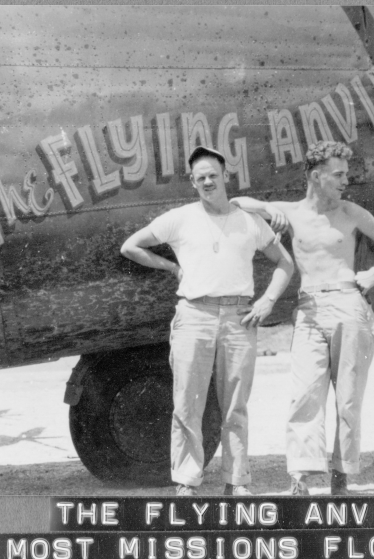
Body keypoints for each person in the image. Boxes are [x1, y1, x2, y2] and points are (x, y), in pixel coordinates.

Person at [231, 140, 374, 495]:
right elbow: (236, 204)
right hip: (309, 307)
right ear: (315, 175)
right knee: (305, 394)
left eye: (346, 174)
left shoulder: (351, 212)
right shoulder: (292, 212)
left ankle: (341, 474)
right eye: (338, 174)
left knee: (348, 398)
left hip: (349, 304)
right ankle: (302, 474)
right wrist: (269, 209)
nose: (345, 181)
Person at [120, 146, 294, 496]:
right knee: (187, 403)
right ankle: (186, 480)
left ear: (225, 176)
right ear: (193, 183)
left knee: (235, 406)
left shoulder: (250, 221)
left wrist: (267, 301)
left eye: (213, 174)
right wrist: (171, 266)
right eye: (200, 178)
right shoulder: (179, 218)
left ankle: (237, 481)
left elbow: (285, 264)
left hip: (239, 318)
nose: (207, 181)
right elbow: (131, 246)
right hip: (194, 316)